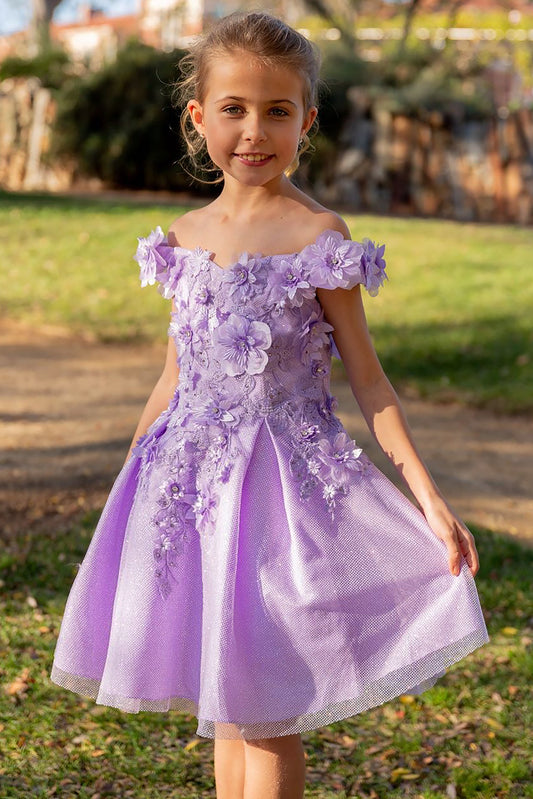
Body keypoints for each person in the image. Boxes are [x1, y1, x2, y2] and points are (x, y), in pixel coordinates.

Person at [50, 11, 489, 799]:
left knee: (265, 713)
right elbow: (172, 376)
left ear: (306, 121)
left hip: (281, 501)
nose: (253, 131)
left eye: (277, 111)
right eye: (234, 109)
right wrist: (129, 477)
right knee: (224, 709)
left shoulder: (319, 236)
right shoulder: (182, 238)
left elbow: (370, 381)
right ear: (199, 117)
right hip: (191, 491)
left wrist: (427, 498)